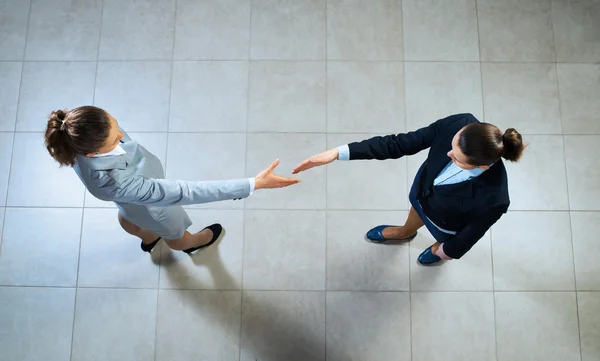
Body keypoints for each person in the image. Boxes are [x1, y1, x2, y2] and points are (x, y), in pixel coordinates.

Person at [44, 106, 300, 253]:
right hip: (156, 209)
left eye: (116, 125)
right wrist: (252, 184)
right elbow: (185, 191)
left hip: (131, 205)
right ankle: (191, 245)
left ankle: (148, 239)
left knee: (129, 216)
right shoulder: (116, 182)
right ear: (92, 152)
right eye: (114, 139)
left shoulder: (76, 135)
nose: (121, 134)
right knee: (177, 234)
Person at [293, 113, 526, 265]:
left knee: (442, 246)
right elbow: (398, 143)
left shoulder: (495, 197)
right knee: (416, 211)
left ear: (483, 166)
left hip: (446, 223)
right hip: (423, 193)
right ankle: (405, 232)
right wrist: (336, 153)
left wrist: (446, 251)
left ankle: (435, 252)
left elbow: (471, 235)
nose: (447, 154)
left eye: (457, 158)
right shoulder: (460, 123)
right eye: (453, 145)